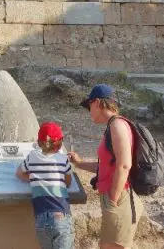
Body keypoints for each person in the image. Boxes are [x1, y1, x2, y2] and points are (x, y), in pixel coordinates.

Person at [68, 84, 144, 249]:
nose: (89, 111)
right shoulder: (113, 125)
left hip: (120, 199)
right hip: (118, 198)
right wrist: (80, 163)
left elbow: (124, 165)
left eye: (89, 106)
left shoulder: (117, 125)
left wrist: (113, 199)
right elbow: (108, 166)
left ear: (96, 103)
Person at [16, 121, 75, 249]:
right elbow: (68, 182)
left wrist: (33, 178)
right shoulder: (63, 159)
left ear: (39, 142)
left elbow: (19, 173)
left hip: (41, 217)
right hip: (60, 214)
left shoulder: (32, 157)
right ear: (59, 144)